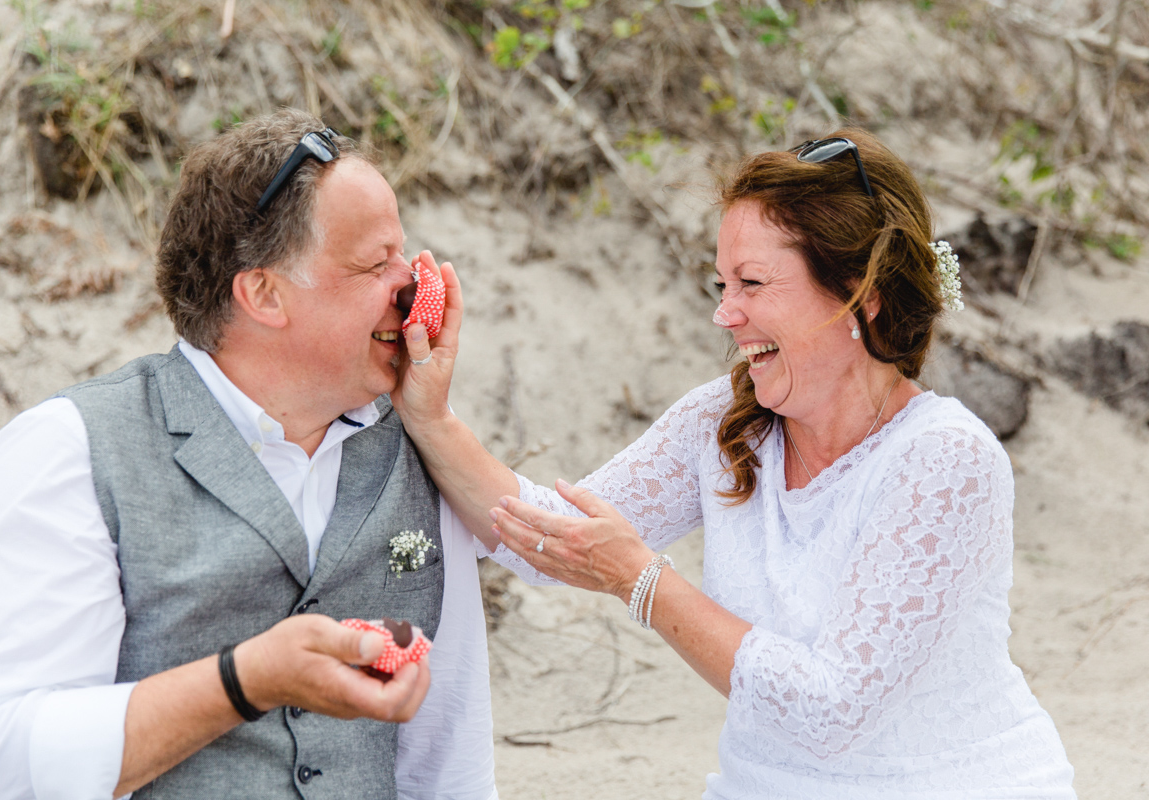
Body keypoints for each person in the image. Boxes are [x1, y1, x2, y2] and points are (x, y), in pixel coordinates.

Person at [392, 130, 1077, 797]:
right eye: (723, 283)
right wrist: (430, 415)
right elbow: (547, 542)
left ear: (860, 294)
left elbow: (829, 712)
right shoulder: (724, 421)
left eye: (751, 282)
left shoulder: (946, 460)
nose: (725, 314)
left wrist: (640, 581)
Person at [0, 109, 496, 800]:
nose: (414, 285)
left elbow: (447, 754)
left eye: (405, 254)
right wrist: (242, 682)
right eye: (375, 263)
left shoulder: (421, 450)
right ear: (264, 294)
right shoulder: (69, 452)